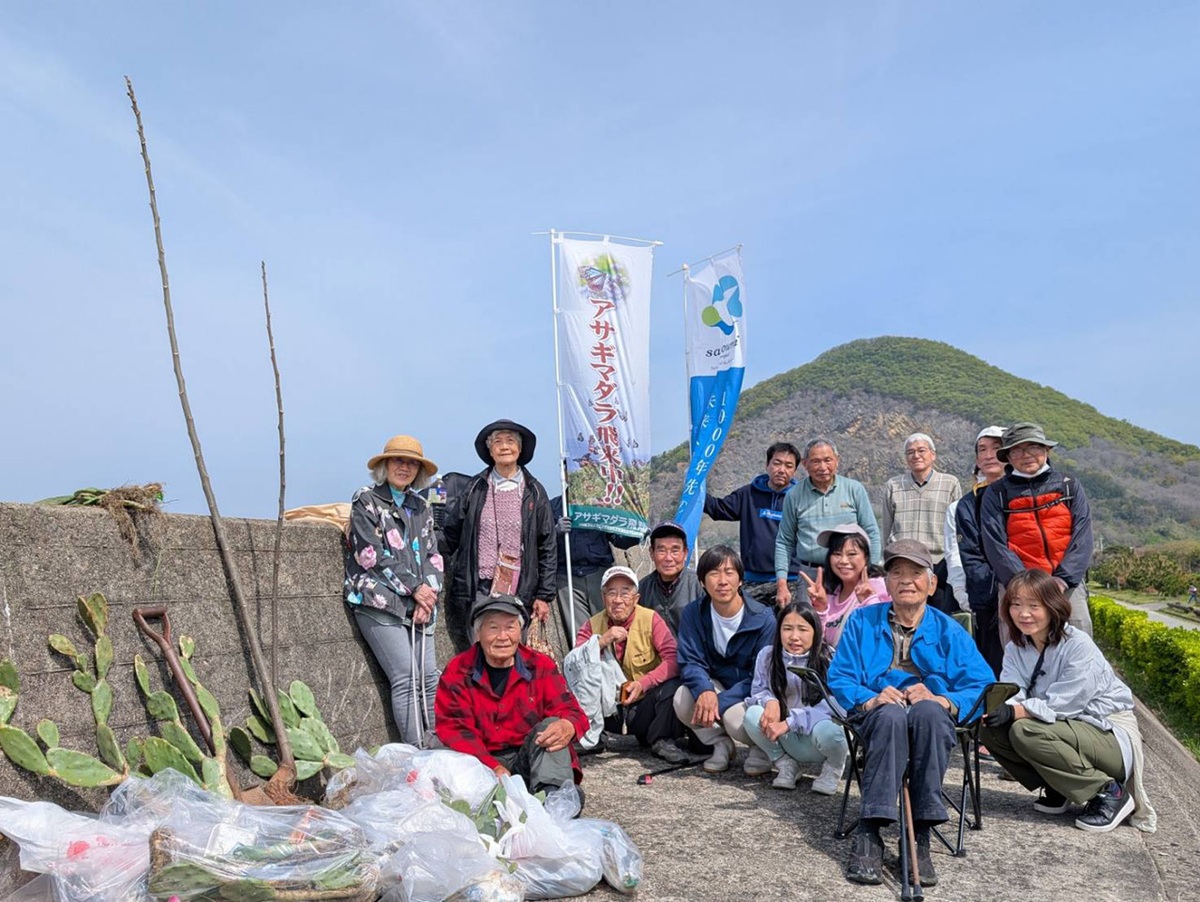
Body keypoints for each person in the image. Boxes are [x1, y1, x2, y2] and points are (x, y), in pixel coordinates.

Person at [827, 539, 992, 887]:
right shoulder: (861, 621)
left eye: (916, 573)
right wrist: (869, 698)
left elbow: (982, 684)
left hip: (929, 716)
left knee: (929, 714)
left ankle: (920, 833)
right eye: (897, 572)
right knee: (890, 716)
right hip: (876, 713)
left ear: (931, 584)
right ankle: (870, 831)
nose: (906, 580)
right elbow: (839, 676)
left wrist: (943, 699)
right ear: (885, 583)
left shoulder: (949, 630)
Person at [979, 570, 1156, 834]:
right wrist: (1000, 710)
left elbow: (1064, 705)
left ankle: (1109, 793)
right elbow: (1013, 690)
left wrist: (1014, 711)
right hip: (1066, 731)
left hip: (1107, 733)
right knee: (990, 730)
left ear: (1053, 607)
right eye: (1016, 604)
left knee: (1025, 729)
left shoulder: (1078, 645)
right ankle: (1059, 786)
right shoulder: (1017, 649)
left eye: (1033, 606)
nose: (1023, 613)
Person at [344, 435, 443, 746]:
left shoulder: (422, 506)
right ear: (385, 465)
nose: (405, 467)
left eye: (412, 463)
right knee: (405, 678)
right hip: (379, 601)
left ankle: (436, 745)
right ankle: (418, 752)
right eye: (398, 460)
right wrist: (414, 587)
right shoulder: (366, 499)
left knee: (429, 678)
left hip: (421, 603)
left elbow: (432, 555)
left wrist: (428, 593)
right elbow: (369, 554)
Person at [435, 594, 589, 793]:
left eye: (510, 627)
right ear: (478, 633)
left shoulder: (540, 665)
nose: (503, 637)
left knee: (553, 727)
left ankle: (554, 797)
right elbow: (454, 729)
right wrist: (492, 767)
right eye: (493, 628)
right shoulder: (459, 670)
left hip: (530, 759)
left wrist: (569, 725)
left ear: (520, 632)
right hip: (483, 761)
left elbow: (572, 712)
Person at [443, 419, 557, 653]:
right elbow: (451, 532)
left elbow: (547, 544)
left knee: (514, 652)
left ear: (520, 448)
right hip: (480, 586)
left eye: (510, 441)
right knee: (479, 651)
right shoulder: (476, 487)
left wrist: (544, 595)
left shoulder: (534, 490)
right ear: (489, 449)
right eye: (497, 441)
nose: (504, 447)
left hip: (519, 588)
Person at [980, 422, 1094, 636]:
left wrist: (1062, 580)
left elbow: (1083, 536)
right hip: (1018, 587)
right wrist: (1026, 586)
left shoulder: (1069, 485)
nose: (1026, 454)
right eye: (1018, 449)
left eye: (1033, 447)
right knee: (1020, 650)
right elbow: (995, 544)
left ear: (1046, 450)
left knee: (1079, 646)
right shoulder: (996, 493)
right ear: (1009, 457)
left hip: (1066, 586)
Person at [673, 545, 776, 775]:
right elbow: (690, 661)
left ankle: (761, 749)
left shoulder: (763, 618)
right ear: (702, 581)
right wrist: (704, 690)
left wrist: (720, 701)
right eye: (714, 573)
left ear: (740, 580)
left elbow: (763, 676)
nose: (722, 581)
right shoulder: (694, 613)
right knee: (682, 698)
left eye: (729, 572)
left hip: (753, 693)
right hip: (717, 684)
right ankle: (720, 744)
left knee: (733, 718)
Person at [574, 565, 688, 763]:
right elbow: (574, 664)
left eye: (625, 593)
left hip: (642, 706)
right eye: (612, 593)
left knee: (674, 685)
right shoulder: (592, 624)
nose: (618, 600)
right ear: (603, 598)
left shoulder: (651, 619)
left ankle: (661, 739)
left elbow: (673, 660)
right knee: (579, 677)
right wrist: (601, 642)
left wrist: (644, 683)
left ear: (636, 599)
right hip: (609, 709)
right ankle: (593, 736)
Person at [743, 601, 849, 793]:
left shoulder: (828, 658)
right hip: (786, 737)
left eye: (803, 629)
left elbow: (836, 705)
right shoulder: (767, 656)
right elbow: (758, 690)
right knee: (752, 714)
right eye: (787, 629)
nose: (794, 637)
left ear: (815, 631)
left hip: (816, 738)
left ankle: (833, 768)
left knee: (832, 730)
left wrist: (792, 721)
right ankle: (786, 764)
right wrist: (770, 701)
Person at [775, 438, 882, 606]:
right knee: (811, 626)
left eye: (828, 460)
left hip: (849, 573)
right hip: (810, 573)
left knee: (849, 623)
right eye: (816, 461)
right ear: (805, 464)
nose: (823, 467)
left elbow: (872, 533)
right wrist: (781, 583)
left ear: (837, 460)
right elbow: (784, 541)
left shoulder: (854, 489)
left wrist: (871, 573)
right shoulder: (794, 495)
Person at [703, 441, 804, 603]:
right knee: (750, 626)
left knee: (787, 627)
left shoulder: (801, 498)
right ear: (767, 465)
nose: (782, 470)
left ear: (794, 471)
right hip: (753, 580)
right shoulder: (748, 494)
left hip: (789, 581)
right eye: (777, 463)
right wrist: (695, 486)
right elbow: (717, 509)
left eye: (788, 466)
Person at [879, 433, 962, 615]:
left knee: (938, 616)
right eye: (910, 452)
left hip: (938, 564)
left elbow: (957, 527)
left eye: (921, 450)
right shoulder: (893, 485)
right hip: (903, 562)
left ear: (933, 454)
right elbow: (886, 527)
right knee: (903, 615)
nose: (916, 455)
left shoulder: (950, 484)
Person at [949, 426, 1007, 676]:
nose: (989, 455)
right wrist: (964, 594)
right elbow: (960, 555)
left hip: (1029, 595)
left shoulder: (1025, 494)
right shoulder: (963, 505)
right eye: (982, 450)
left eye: (996, 448)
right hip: (986, 599)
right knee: (992, 664)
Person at [551, 494, 639, 648]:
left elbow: (619, 539)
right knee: (579, 632)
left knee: (610, 624)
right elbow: (539, 539)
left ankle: (615, 668)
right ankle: (585, 667)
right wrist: (554, 531)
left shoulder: (601, 504)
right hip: (567, 577)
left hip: (599, 573)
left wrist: (636, 532)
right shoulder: (553, 506)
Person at [799, 524, 889, 648]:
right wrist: (821, 608)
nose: (843, 561)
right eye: (837, 554)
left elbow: (884, 635)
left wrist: (870, 601)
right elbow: (819, 640)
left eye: (851, 554)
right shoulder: (831, 592)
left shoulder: (878, 587)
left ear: (866, 556)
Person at [637, 521, 700, 635]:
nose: (668, 558)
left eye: (675, 550)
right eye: (661, 550)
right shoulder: (643, 588)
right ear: (652, 553)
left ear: (685, 553)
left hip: (690, 652)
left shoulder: (699, 585)